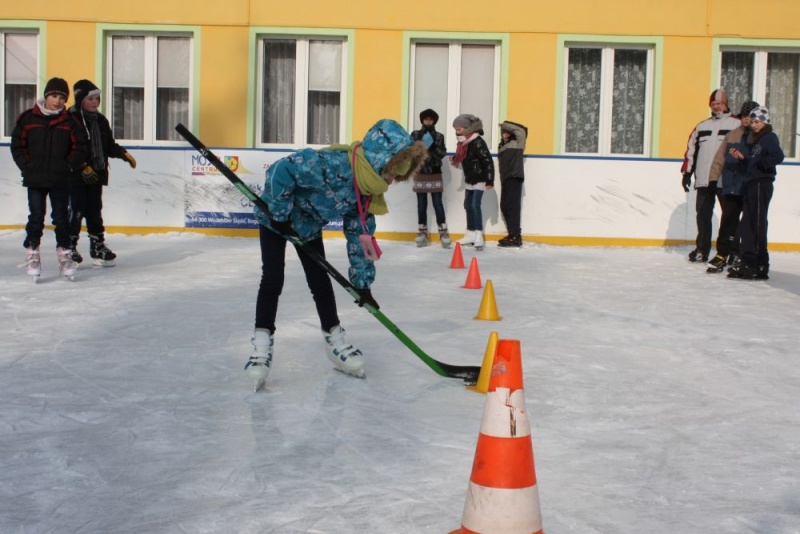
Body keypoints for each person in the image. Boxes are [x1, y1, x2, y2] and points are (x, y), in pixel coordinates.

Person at [246, 119, 426, 388]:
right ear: (381, 161)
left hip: (306, 227)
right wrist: (280, 212)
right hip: (275, 219)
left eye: (397, 175)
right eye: (392, 173)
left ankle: (334, 340)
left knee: (320, 280)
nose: (392, 180)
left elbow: (360, 238)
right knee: (273, 278)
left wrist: (362, 285)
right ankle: (261, 346)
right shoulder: (332, 164)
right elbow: (281, 171)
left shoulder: (365, 194)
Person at [10, 77, 89, 281]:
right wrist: (26, 166)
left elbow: (80, 147)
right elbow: (18, 145)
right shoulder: (28, 119)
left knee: (61, 217)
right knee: (36, 215)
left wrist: (68, 165)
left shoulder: (70, 122)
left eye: (62, 97)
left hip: (60, 178)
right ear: (46, 96)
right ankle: (32, 253)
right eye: (54, 96)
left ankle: (65, 255)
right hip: (35, 177)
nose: (58, 101)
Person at [68, 79, 137, 266]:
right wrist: (82, 166)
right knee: (76, 210)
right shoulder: (70, 120)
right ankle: (69, 247)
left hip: (96, 174)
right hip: (75, 175)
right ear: (80, 99)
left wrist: (123, 154)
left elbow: (108, 145)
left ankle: (97, 247)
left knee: (94, 211)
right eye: (91, 98)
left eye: (97, 98)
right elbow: (65, 149)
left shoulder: (100, 120)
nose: (95, 102)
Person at [680, 89, 741, 263]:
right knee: (703, 215)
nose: (716, 106)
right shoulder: (702, 126)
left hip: (727, 180)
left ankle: (734, 252)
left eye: (719, 103)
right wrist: (687, 173)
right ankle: (702, 249)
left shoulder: (736, 124)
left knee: (730, 217)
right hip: (704, 179)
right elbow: (691, 152)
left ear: (726, 104)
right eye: (713, 104)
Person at [727, 106, 784, 280]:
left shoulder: (769, 137)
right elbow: (754, 162)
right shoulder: (757, 141)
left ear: (765, 122)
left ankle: (760, 264)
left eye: (757, 122)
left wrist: (761, 166)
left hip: (761, 183)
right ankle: (748, 262)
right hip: (751, 184)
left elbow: (778, 156)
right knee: (747, 224)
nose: (754, 125)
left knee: (757, 223)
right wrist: (744, 158)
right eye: (752, 122)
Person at [705, 100, 760, 273]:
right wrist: (713, 180)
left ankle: (740, 254)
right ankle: (722, 254)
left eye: (749, 116)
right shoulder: (732, 135)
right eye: (743, 116)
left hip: (750, 186)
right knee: (728, 221)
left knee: (748, 224)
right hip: (731, 186)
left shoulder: (759, 136)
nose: (746, 120)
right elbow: (718, 159)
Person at [449, 114, 494, 250]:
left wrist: (489, 179)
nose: (457, 132)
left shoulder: (477, 141)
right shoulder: (464, 143)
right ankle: (470, 233)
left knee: (475, 205)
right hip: (470, 178)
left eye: (459, 129)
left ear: (468, 129)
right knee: (468, 204)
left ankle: (478, 234)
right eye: (456, 129)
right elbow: (468, 159)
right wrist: (456, 158)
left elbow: (487, 161)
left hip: (479, 178)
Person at [410, 108, 450, 248]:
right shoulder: (415, 134)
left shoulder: (439, 136)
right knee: (421, 204)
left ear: (434, 121)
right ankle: (422, 233)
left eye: (430, 119)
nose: (428, 121)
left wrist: (432, 146)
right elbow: (411, 153)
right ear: (422, 120)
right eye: (426, 119)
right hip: (420, 173)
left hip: (434, 173)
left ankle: (443, 233)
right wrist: (420, 144)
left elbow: (442, 154)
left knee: (437, 203)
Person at [496, 120, 528, 248]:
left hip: (515, 177)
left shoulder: (518, 143)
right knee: (505, 206)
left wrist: (504, 124)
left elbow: (521, 130)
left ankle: (516, 236)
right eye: (503, 132)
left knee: (513, 208)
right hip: (506, 179)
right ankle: (512, 235)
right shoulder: (502, 146)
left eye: (507, 132)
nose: (504, 134)